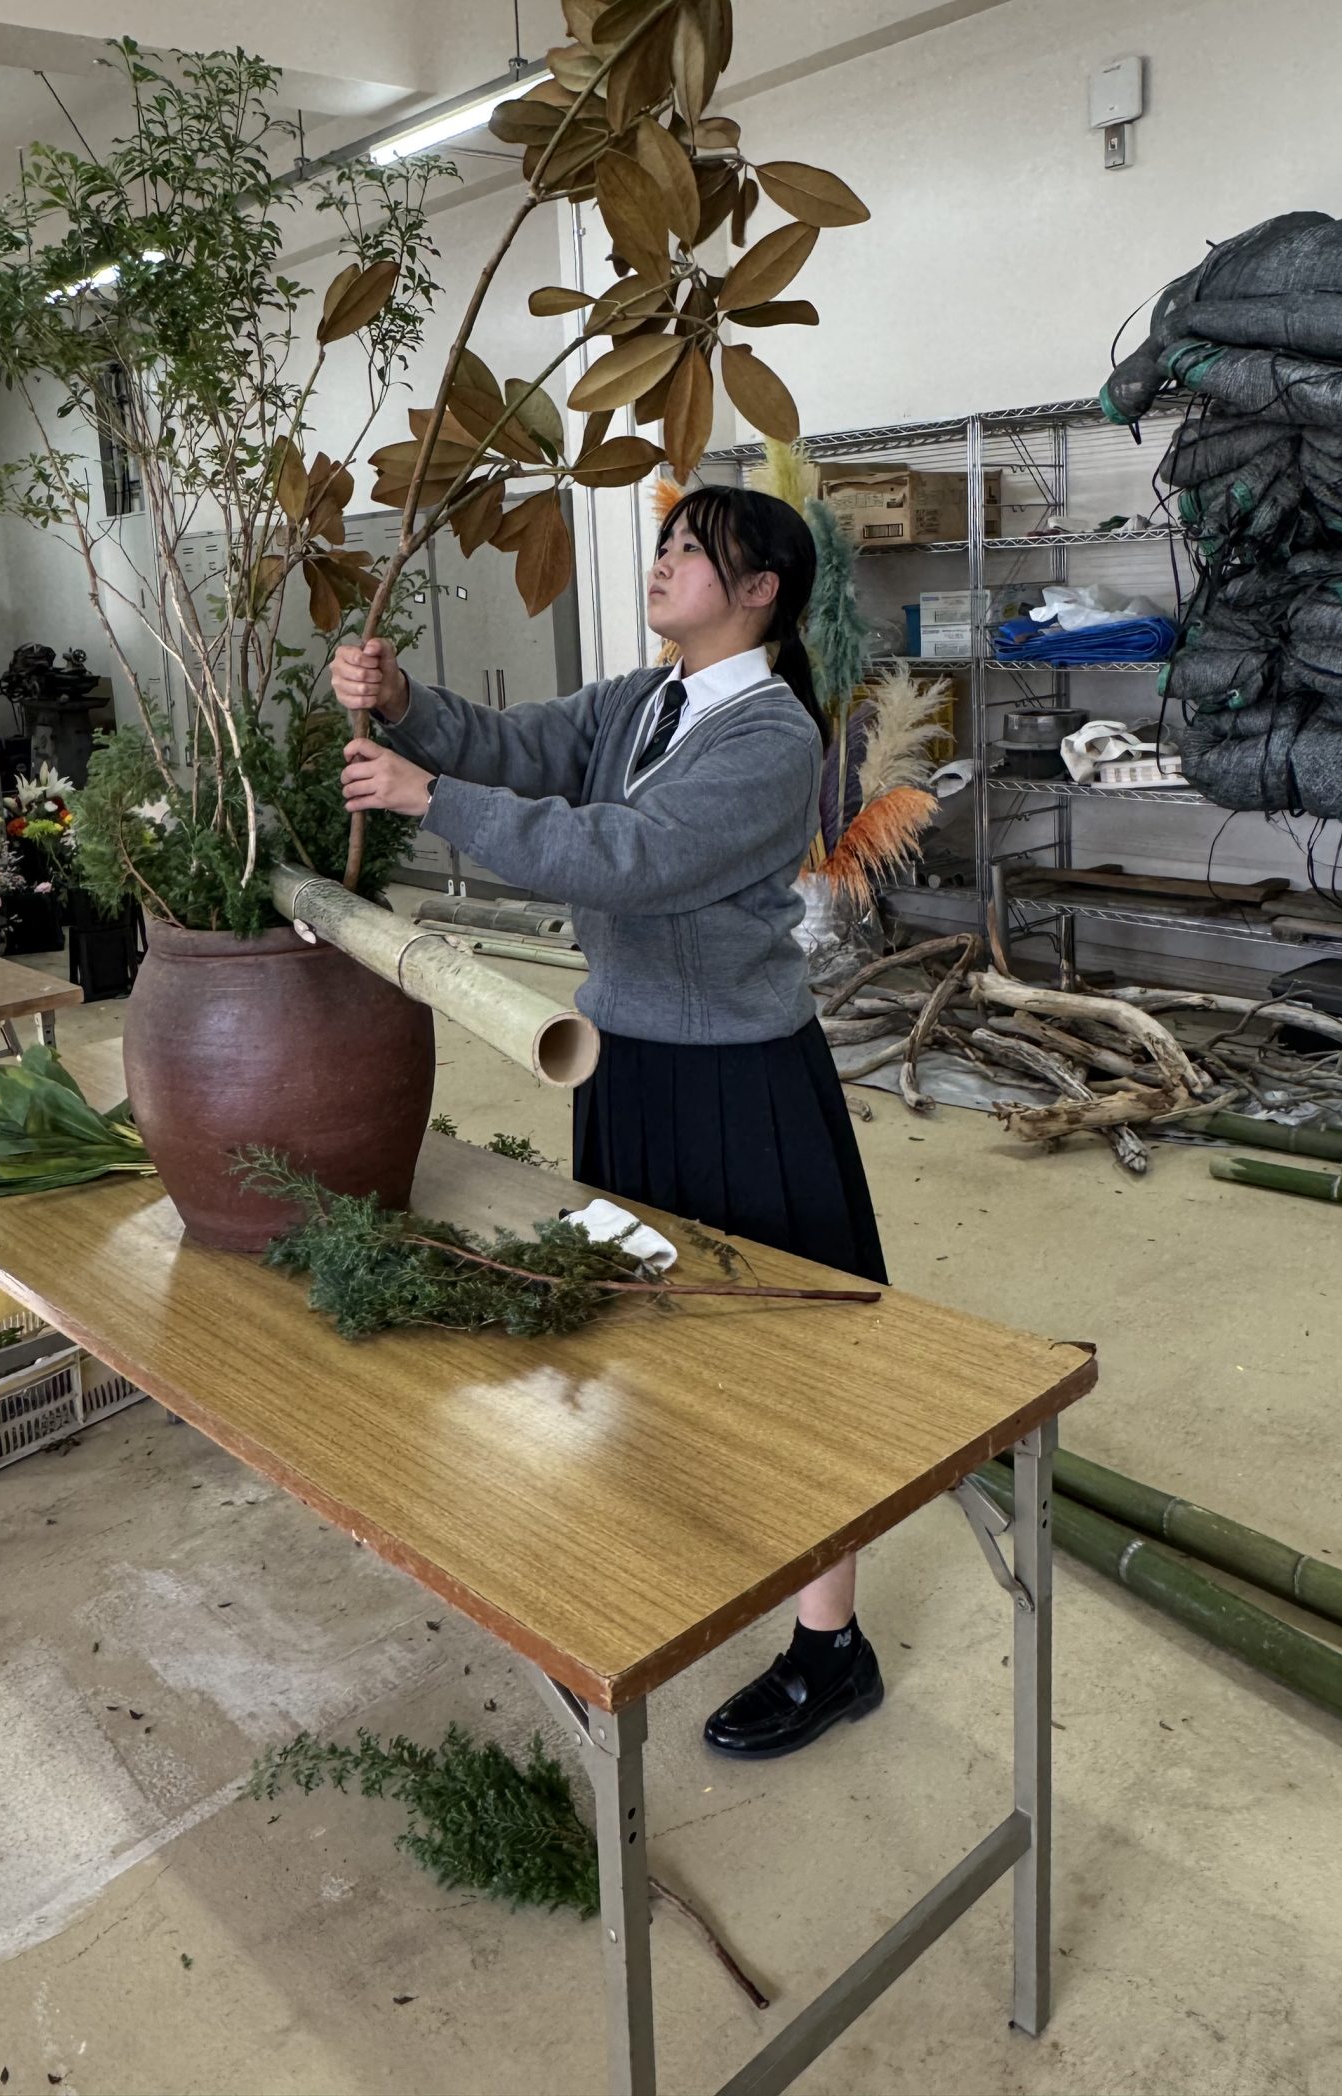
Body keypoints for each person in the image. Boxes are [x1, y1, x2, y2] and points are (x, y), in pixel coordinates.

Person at [333, 484, 889, 1760]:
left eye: (696, 551)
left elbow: (622, 856)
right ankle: (673, 1578)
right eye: (666, 543)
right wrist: (406, 699)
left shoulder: (772, 736)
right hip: (627, 1065)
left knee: (793, 1360)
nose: (665, 561)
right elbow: (516, 743)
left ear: (762, 592)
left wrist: (429, 797)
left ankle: (831, 1645)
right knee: (646, 1332)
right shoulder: (641, 702)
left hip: (739, 1082)